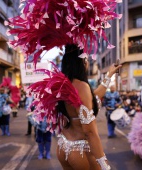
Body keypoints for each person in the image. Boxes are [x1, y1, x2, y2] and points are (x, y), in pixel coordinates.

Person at [8, 0, 121, 169]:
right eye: (87, 59)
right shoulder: (81, 86)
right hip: (80, 151)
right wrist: (104, 164)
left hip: (64, 146)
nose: (88, 62)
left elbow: (94, 96)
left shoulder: (64, 84)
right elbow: (90, 131)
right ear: (81, 62)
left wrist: (109, 75)